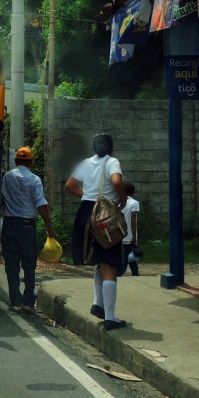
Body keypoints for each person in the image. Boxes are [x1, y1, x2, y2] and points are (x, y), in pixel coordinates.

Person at [64, 133, 129, 331]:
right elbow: (116, 182)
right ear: (111, 148)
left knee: (100, 262)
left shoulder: (85, 163)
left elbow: (70, 185)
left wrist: (87, 195)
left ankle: (97, 304)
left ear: (93, 148)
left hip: (85, 214)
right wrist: (123, 197)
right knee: (110, 265)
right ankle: (110, 318)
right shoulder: (112, 162)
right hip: (104, 216)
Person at [0, 146, 55, 314]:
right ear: (31, 162)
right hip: (27, 227)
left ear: (16, 160)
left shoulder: (7, 177)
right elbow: (41, 204)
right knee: (29, 266)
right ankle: (29, 303)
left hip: (9, 225)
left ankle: (16, 302)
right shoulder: (34, 179)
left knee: (12, 265)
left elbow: (0, 197)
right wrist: (49, 228)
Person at [119, 183, 141, 277]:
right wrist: (134, 236)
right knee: (127, 255)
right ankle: (120, 273)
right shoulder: (134, 203)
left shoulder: (120, 203)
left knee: (131, 254)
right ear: (133, 192)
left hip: (121, 233)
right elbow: (133, 220)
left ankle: (135, 273)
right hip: (130, 234)